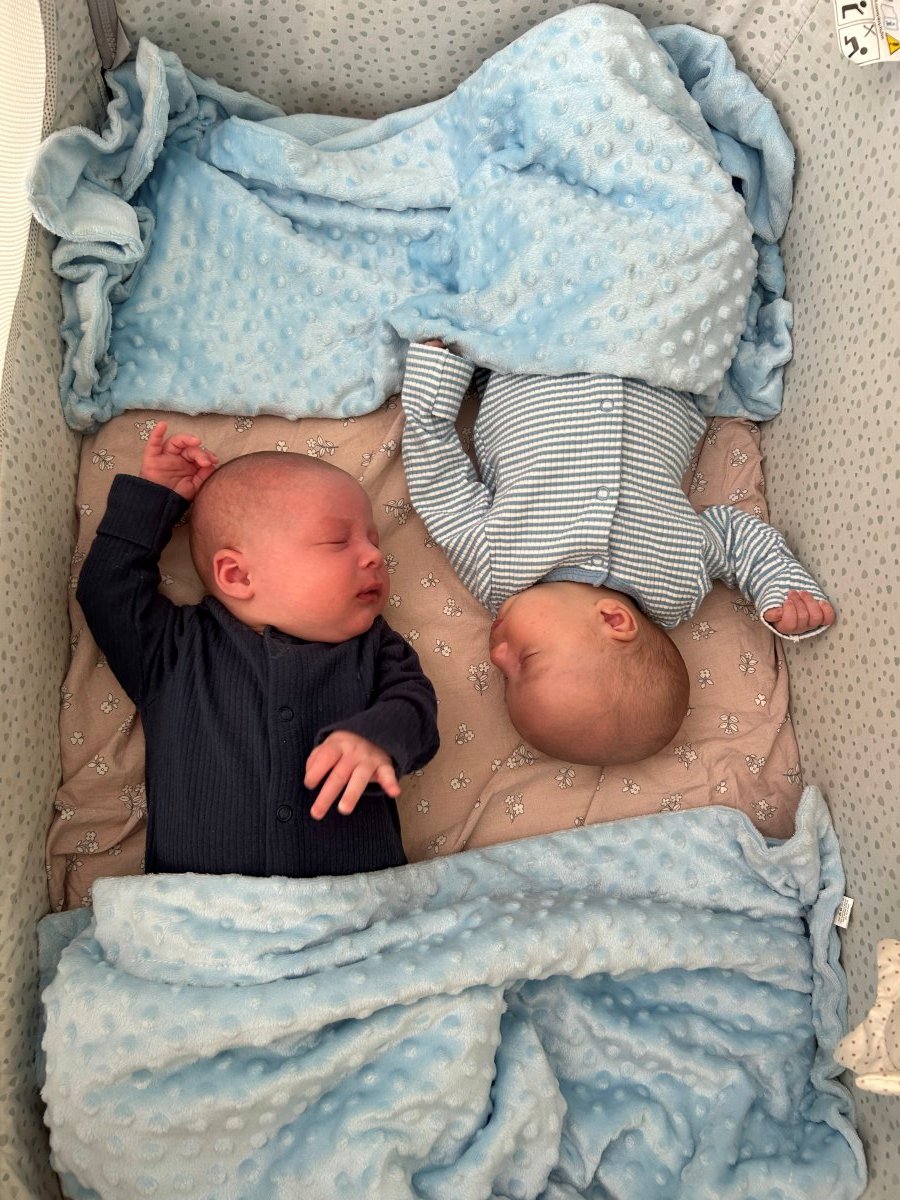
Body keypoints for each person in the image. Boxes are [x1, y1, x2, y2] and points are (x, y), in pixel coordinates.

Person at [401, 342, 835, 766]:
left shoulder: (495, 569)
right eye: (525, 662)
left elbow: (440, 485)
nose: (496, 655)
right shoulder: (678, 581)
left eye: (503, 677)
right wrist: (782, 589)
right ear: (615, 620)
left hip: (535, 351)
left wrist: (435, 380)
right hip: (660, 355)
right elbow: (739, 539)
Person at [76, 423, 440, 877]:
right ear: (238, 575)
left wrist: (378, 737)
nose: (373, 556)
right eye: (337, 541)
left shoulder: (377, 650)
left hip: (351, 911)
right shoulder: (173, 649)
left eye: (374, 540)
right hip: (202, 917)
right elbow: (108, 591)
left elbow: (416, 708)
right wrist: (155, 500)